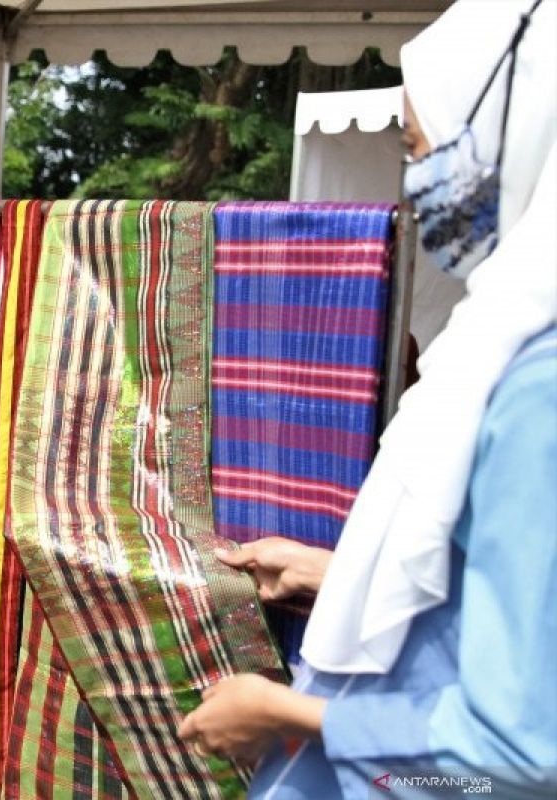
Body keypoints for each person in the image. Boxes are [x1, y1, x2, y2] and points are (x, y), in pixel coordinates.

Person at [177, 1, 557, 797]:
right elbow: (501, 593)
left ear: (516, 137)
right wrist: (335, 569)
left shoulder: (538, 389)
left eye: (421, 145)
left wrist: (282, 710)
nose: (417, 177)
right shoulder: (494, 341)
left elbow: (522, 756)